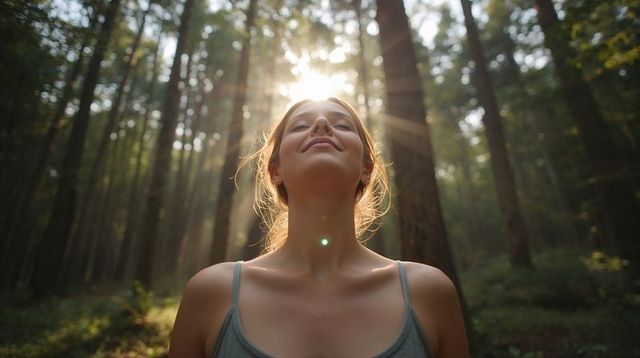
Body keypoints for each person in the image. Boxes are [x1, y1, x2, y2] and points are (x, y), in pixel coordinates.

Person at [169, 97, 469, 357]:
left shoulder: (429, 292)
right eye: (300, 126)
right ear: (275, 172)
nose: (323, 124)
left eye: (342, 125)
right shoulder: (211, 293)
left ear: (367, 169)